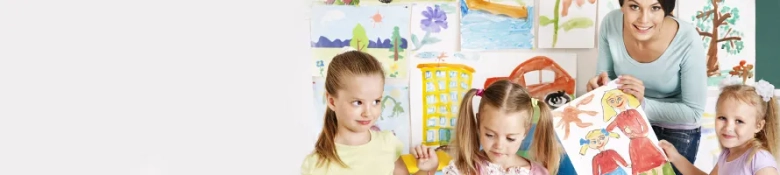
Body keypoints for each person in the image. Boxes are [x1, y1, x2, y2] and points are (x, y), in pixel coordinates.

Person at [588, 0, 707, 174]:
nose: (644, 19)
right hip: (627, 123)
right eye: (634, 7)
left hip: (676, 131)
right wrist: (600, 89)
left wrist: (641, 105)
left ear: (666, 9)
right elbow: (607, 80)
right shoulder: (611, 23)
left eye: (655, 8)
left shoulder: (687, 38)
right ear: (622, 5)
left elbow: (693, 112)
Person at [411, 80, 562, 175]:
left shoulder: (539, 173)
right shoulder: (466, 168)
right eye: (490, 135)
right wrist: (426, 170)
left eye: (510, 138)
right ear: (478, 123)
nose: (499, 145)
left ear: (526, 131)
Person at [300, 51, 408, 175]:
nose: (368, 113)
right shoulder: (315, 165)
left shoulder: (389, 144)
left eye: (376, 101)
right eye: (357, 102)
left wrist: (428, 169)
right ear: (332, 101)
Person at [658, 80, 780, 175]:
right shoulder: (727, 155)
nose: (728, 127)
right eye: (722, 118)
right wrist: (676, 157)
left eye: (739, 121)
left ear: (758, 126)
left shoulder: (759, 159)